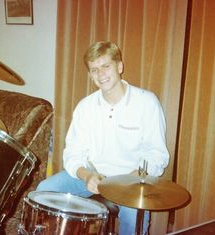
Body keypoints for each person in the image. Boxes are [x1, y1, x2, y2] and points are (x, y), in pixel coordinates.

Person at [36, 41, 169, 235]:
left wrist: (128, 180)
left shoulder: (147, 102)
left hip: (130, 181)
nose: (101, 74)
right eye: (94, 70)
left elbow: (156, 155)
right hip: (92, 175)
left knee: (135, 218)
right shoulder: (85, 106)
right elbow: (73, 152)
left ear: (119, 66)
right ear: (90, 75)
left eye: (106, 66)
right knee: (44, 190)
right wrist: (87, 175)